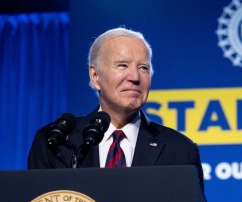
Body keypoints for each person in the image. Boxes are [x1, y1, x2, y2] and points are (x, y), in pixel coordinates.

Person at [27, 27, 204, 190]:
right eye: (123, 65)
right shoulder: (54, 142)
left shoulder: (180, 151)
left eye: (143, 68)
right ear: (95, 76)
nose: (135, 77)